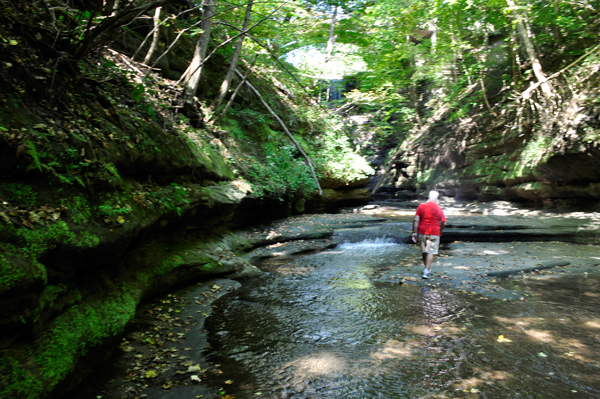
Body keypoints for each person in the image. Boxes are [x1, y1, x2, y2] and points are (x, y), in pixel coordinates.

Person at [412, 191, 446, 279]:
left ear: (428, 197)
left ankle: (426, 268)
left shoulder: (421, 206)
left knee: (424, 251)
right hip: (434, 232)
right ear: (437, 199)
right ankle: (426, 271)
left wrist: (414, 232)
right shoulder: (438, 208)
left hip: (422, 231)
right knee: (431, 251)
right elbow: (444, 222)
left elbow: (416, 220)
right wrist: (441, 230)